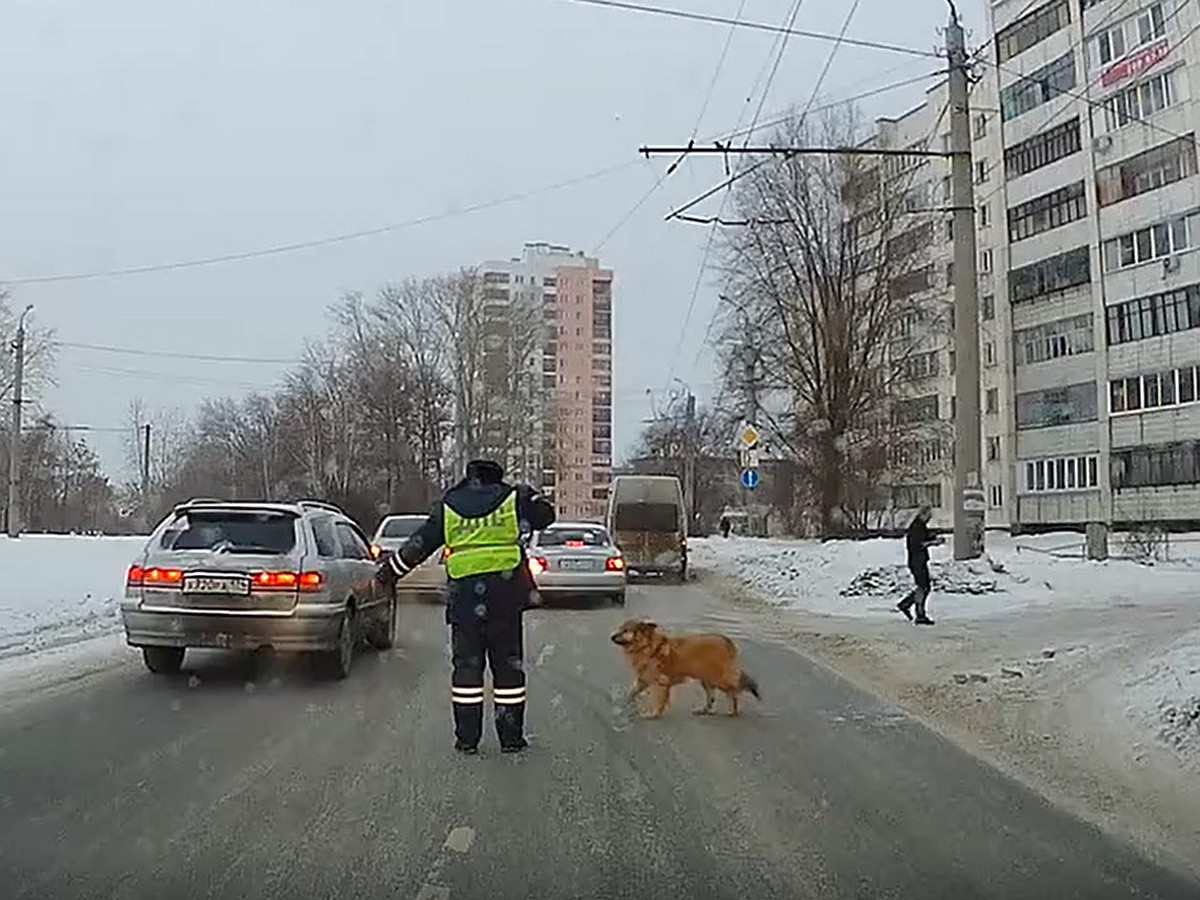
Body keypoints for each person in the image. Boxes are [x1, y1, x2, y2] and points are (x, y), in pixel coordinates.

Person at [376, 459, 555, 755]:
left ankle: (467, 739)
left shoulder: (449, 505)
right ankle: (510, 738)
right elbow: (546, 517)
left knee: (467, 672)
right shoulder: (512, 499)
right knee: (508, 672)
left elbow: (420, 544)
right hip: (506, 597)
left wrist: (389, 572)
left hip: (465, 600)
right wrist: (532, 496)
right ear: (496, 478)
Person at [897, 504, 943, 626]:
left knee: (923, 586)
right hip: (917, 561)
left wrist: (933, 536)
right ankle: (919, 614)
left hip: (919, 560)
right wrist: (934, 542)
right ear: (923, 514)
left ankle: (906, 604)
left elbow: (924, 536)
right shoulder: (916, 527)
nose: (929, 518)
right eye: (929, 516)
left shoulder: (919, 526)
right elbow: (920, 544)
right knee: (923, 587)